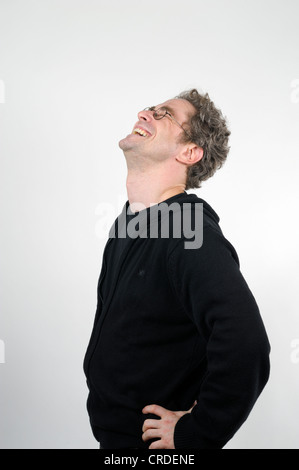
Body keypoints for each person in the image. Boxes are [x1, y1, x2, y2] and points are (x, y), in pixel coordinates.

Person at [83, 89, 271, 449]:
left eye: (163, 113)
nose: (143, 113)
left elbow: (246, 343)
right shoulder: (128, 224)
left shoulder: (189, 230)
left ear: (189, 152)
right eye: (150, 108)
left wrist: (195, 434)